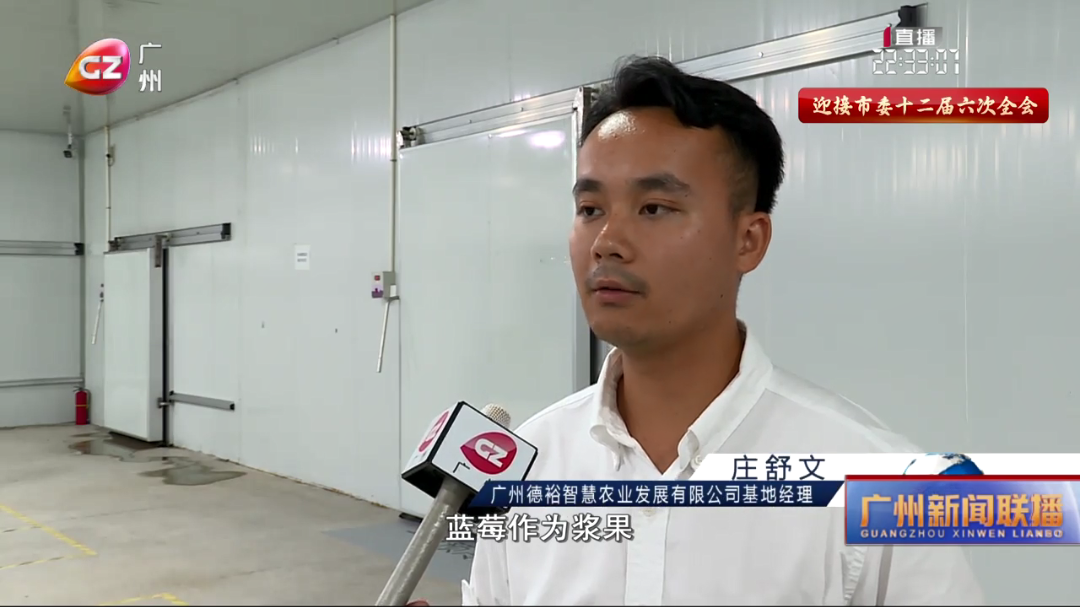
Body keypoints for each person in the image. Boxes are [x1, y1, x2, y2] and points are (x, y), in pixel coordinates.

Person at [416, 55, 984, 606]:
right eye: (590, 209)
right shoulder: (530, 465)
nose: (607, 242)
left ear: (748, 240)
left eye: (654, 208)